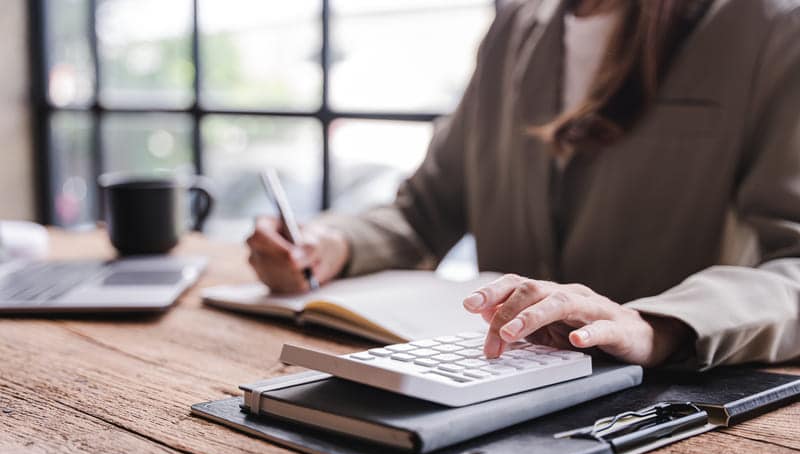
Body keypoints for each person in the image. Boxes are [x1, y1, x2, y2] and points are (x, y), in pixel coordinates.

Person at [247, 0, 800, 369]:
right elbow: (423, 212)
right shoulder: (513, 29)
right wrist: (329, 245)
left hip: (667, 413)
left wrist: (652, 324)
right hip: (488, 387)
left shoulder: (771, 28)